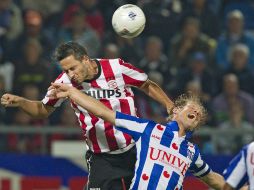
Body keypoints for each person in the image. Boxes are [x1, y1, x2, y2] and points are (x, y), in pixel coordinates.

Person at [1, 41, 174, 190]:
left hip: (135, 150)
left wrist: (169, 105)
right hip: (102, 158)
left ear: (85, 59)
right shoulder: (64, 82)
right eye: (66, 70)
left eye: (73, 68)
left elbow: (146, 84)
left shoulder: (117, 67)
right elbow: (42, 110)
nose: (70, 74)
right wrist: (22, 102)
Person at [47, 83, 225, 190]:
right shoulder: (149, 129)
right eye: (192, 107)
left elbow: (211, 178)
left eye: (200, 114)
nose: (196, 111)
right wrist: (73, 93)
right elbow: (105, 112)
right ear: (176, 111)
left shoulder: (192, 152)